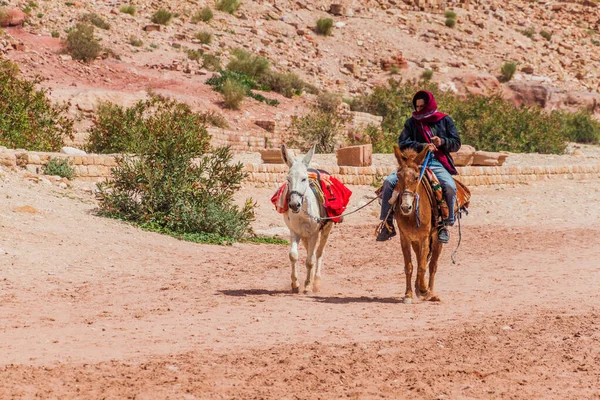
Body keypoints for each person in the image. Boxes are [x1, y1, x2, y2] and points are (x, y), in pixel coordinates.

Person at [376, 90, 461, 243]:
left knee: (449, 186)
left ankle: (445, 224)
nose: (419, 110)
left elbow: (456, 143)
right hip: (413, 163)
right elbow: (403, 144)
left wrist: (441, 142)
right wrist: (423, 146)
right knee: (389, 182)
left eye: (422, 107)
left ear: (430, 105)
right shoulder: (411, 123)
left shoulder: (444, 120)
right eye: (417, 107)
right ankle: (387, 223)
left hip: (436, 162)